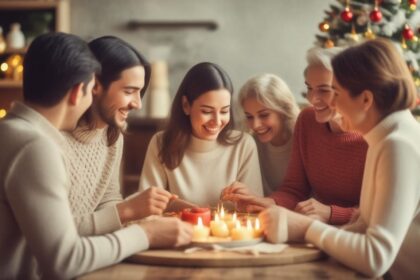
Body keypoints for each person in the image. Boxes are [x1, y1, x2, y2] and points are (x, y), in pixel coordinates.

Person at [0, 32, 192, 279]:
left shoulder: (13, 132)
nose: (137, 104)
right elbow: (65, 259)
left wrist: (135, 215)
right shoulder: (35, 146)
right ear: (82, 90)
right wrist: (145, 233)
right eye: (91, 88)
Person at [259, 39, 420, 279]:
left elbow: (375, 257)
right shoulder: (383, 136)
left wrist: (305, 228)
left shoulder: (397, 144)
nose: (329, 104)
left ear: (365, 99)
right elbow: (363, 226)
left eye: (336, 92)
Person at [222, 47, 368, 225]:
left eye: (324, 89)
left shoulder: (371, 136)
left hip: (357, 232)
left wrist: (331, 212)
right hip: (316, 226)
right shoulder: (307, 120)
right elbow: (293, 189)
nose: (313, 98)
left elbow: (377, 214)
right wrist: (266, 203)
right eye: (309, 88)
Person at [63, 36, 175, 236]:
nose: (137, 104)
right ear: (95, 84)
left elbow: (108, 201)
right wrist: (129, 210)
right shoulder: (54, 139)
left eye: (140, 93)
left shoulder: (112, 138)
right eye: (129, 91)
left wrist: (143, 218)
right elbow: (54, 233)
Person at [139, 62, 263, 208]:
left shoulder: (243, 145)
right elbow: (147, 207)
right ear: (186, 105)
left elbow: (253, 209)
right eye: (207, 111)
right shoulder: (161, 142)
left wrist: (248, 200)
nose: (216, 121)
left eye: (224, 111)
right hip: (176, 230)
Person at [238, 74, 300, 195]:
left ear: (283, 110)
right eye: (249, 116)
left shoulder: (302, 140)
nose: (255, 125)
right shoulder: (250, 145)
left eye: (264, 115)